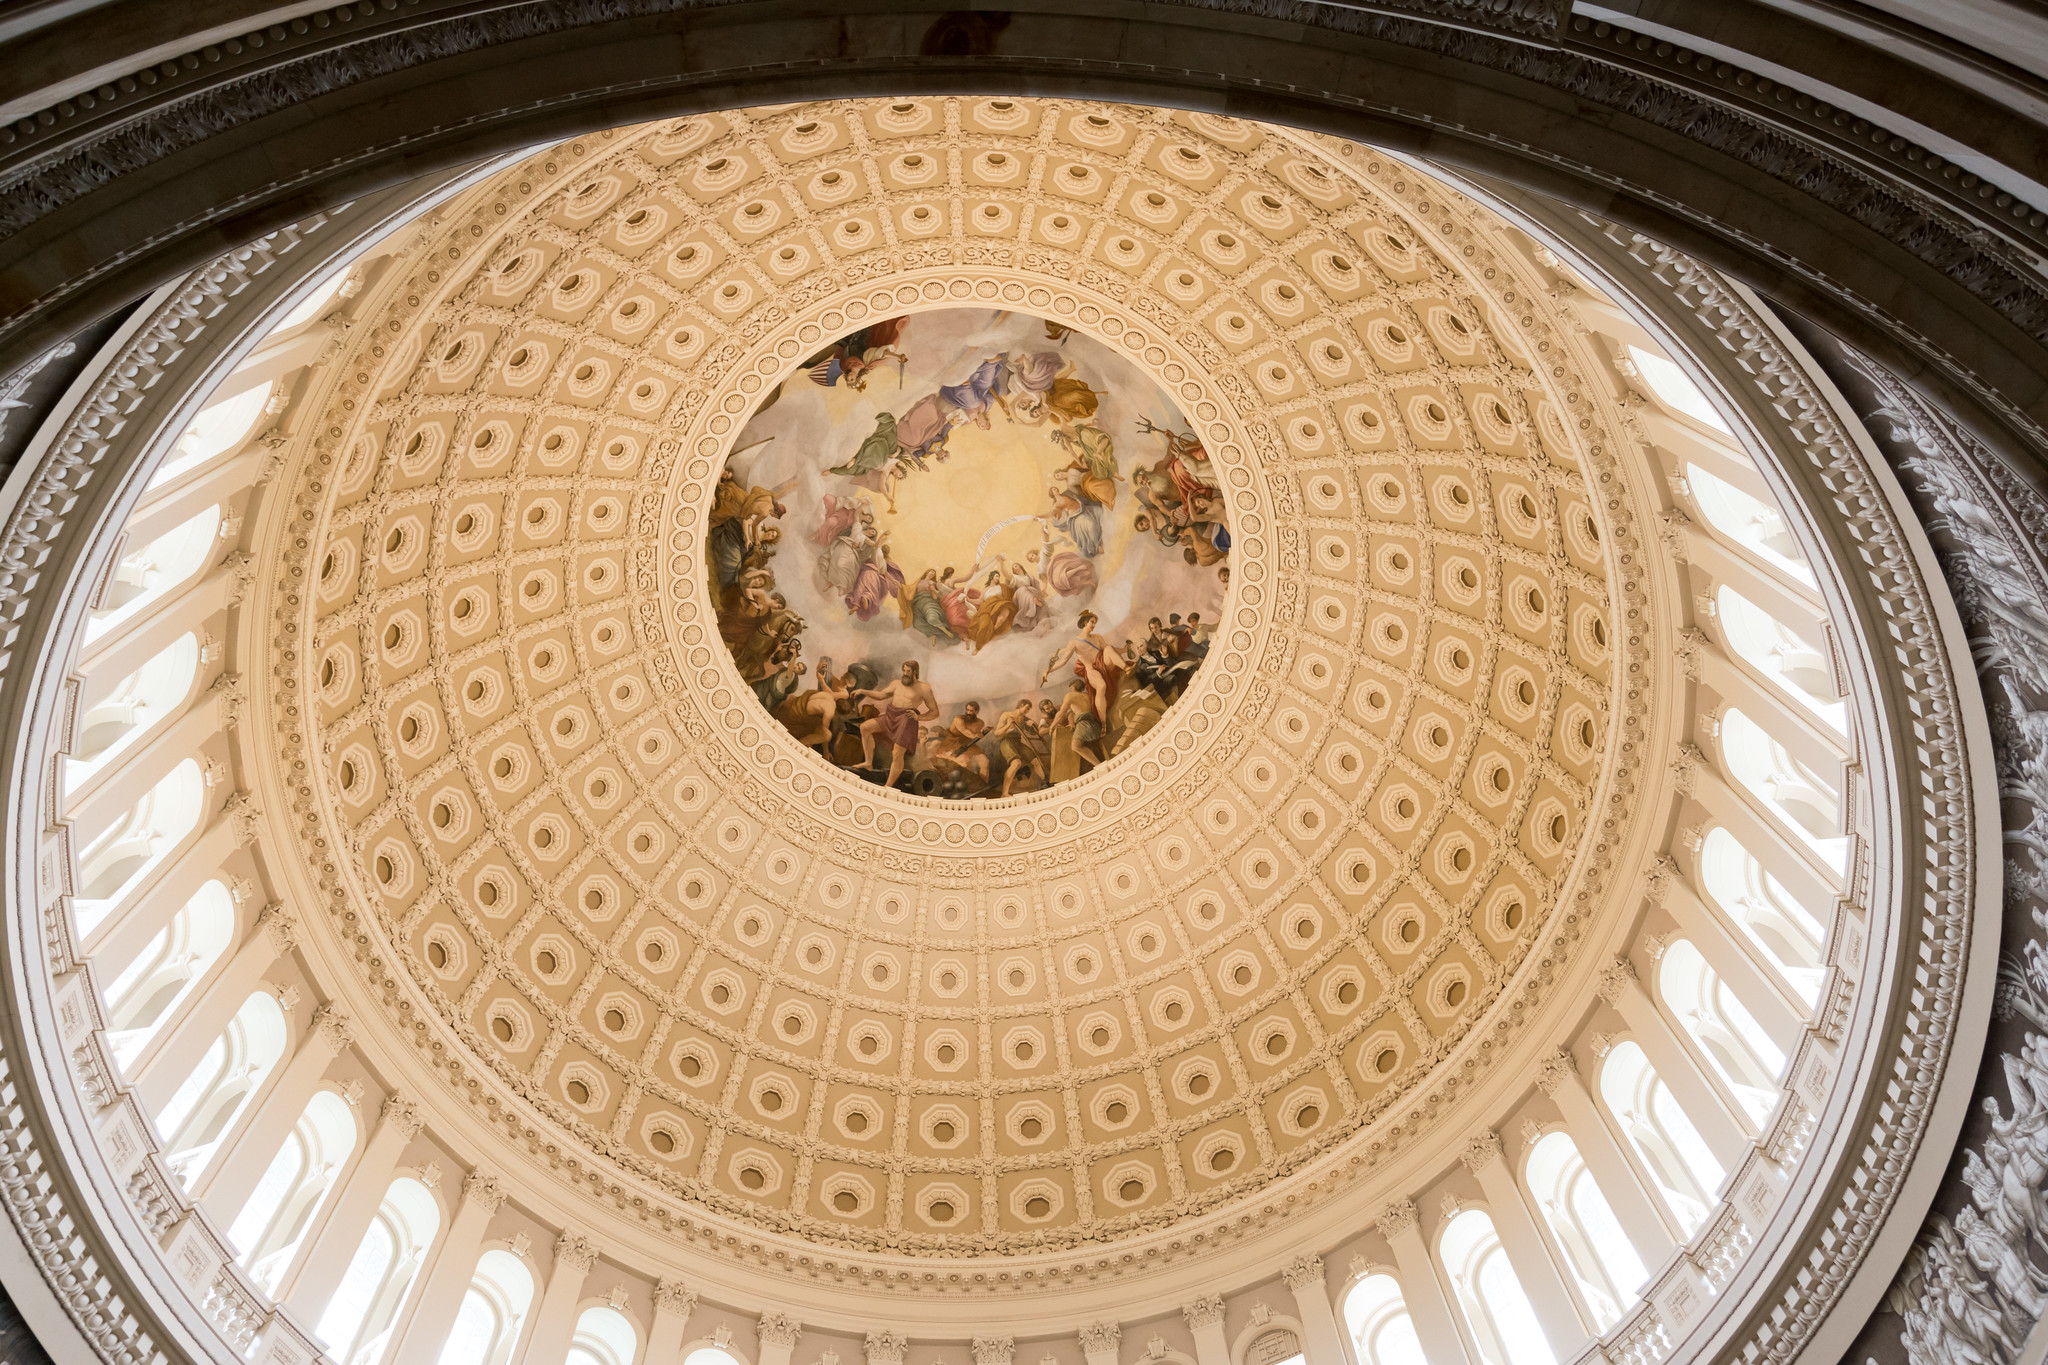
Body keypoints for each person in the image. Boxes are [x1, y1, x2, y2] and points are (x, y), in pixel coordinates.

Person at [856, 661, 940, 790]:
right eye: (904, 671)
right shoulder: (896, 684)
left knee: (897, 753)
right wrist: (863, 691)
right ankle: (868, 763)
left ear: (915, 672)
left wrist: (919, 717)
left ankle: (888, 786)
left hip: (907, 719)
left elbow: (934, 711)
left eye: (908, 671)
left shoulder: (924, 688)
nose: (905, 674)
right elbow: (881, 695)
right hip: (891, 715)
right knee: (865, 728)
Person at [1040, 610, 1123, 725]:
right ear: (1085, 622)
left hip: (1103, 665)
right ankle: (1103, 722)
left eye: (1095, 623)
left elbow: (1109, 649)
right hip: (1092, 670)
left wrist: (1124, 650)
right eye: (1092, 622)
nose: (1094, 625)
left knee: (1108, 650)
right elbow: (1063, 661)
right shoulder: (1074, 642)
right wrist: (1048, 671)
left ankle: (1126, 669)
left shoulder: (1097, 637)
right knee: (1101, 686)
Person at [927, 701, 992, 785]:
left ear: (976, 712)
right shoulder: (958, 719)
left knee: (985, 761)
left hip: (968, 744)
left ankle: (983, 786)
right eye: (967, 710)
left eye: (971, 711)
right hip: (952, 744)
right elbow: (965, 731)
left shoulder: (980, 723)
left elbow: (973, 734)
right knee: (965, 765)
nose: (968, 712)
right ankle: (971, 787)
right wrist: (975, 735)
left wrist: (983, 732)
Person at [992, 696, 1047, 795]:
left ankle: (1045, 784)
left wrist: (1033, 724)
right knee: (1016, 763)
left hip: (1018, 743)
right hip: (1007, 742)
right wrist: (1008, 725)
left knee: (1036, 761)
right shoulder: (1006, 715)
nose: (1027, 711)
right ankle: (1004, 794)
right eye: (1026, 708)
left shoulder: (1024, 719)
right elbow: (997, 733)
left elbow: (1035, 733)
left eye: (1029, 709)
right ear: (1021, 705)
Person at [1053, 679, 1103, 770]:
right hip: (1094, 724)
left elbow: (1061, 713)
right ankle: (1099, 764)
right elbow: (1072, 712)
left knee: (1075, 746)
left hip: (1084, 725)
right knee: (1078, 746)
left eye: (1071, 687)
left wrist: (1052, 726)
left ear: (1073, 686)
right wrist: (1071, 723)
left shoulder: (1070, 695)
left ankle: (1099, 765)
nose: (1070, 689)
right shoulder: (1087, 695)